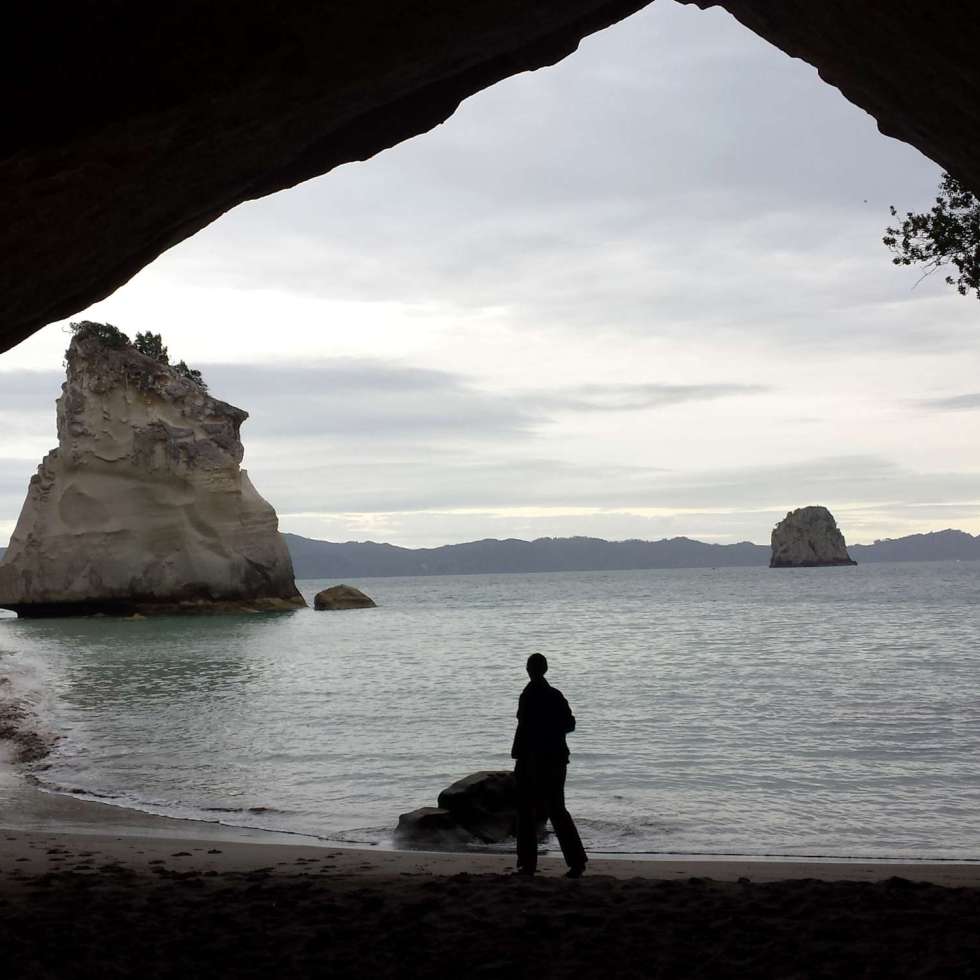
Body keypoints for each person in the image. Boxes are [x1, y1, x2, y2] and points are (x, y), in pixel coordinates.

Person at [511, 653, 587, 878]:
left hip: (531, 760)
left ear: (529, 669)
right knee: (556, 809)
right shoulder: (554, 695)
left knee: (526, 811)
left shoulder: (528, 696)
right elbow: (569, 723)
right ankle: (576, 862)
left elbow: (524, 728)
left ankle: (527, 865)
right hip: (554, 759)